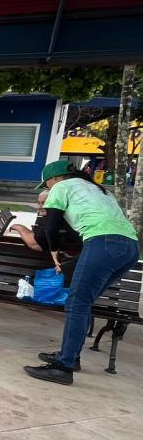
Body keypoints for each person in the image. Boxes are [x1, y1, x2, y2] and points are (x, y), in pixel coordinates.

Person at [23, 160, 139, 385]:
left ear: (55, 179)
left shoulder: (61, 188)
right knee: (83, 302)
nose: (47, 188)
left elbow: (51, 225)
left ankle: (63, 368)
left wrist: (54, 251)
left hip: (103, 242)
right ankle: (70, 356)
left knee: (77, 303)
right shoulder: (98, 189)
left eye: (46, 184)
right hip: (130, 247)